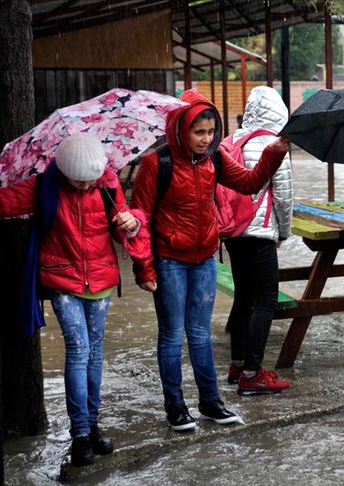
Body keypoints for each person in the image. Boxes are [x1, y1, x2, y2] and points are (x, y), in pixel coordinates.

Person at [0, 133, 150, 467]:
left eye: (90, 181)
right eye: (77, 181)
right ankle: (81, 433)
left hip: (100, 280)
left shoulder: (107, 185)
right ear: (63, 170)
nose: (85, 187)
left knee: (96, 353)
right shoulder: (43, 186)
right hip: (61, 279)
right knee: (79, 349)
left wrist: (132, 221)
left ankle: (94, 422)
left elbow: (124, 225)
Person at [130, 90, 289, 432]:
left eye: (210, 133)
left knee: (200, 334)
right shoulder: (156, 163)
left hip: (204, 258)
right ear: (180, 129)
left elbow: (249, 183)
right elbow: (140, 216)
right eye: (198, 133)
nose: (205, 139)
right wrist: (144, 266)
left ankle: (210, 402)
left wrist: (273, 154)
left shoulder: (214, 159)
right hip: (169, 261)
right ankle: (175, 407)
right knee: (172, 335)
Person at [222, 87, 293, 395]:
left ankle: (238, 364)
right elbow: (284, 197)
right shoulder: (274, 145)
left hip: (232, 232)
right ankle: (253, 373)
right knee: (265, 300)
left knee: (243, 297)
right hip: (260, 232)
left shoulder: (230, 140)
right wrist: (284, 232)